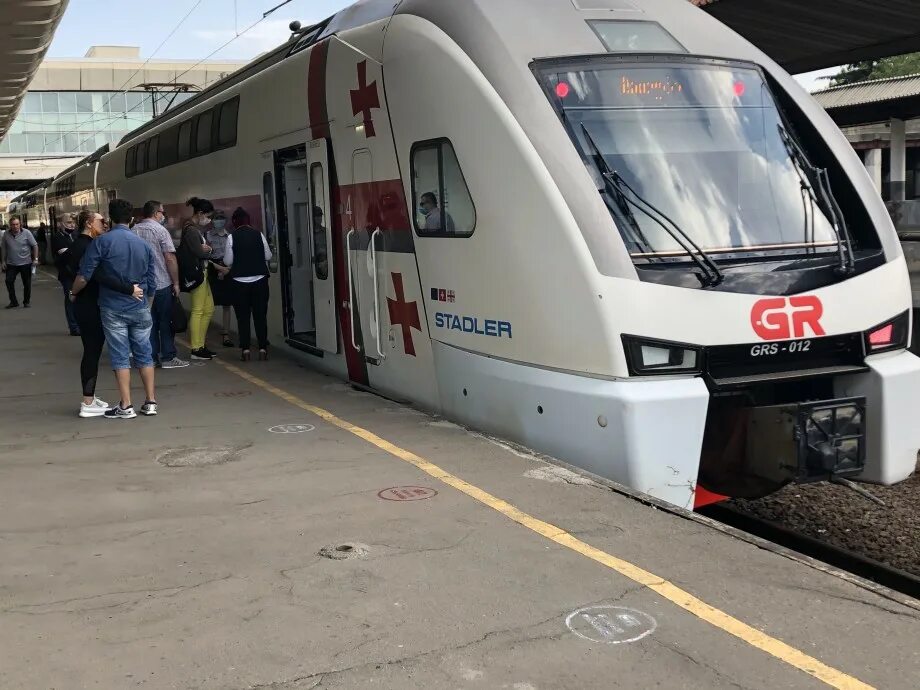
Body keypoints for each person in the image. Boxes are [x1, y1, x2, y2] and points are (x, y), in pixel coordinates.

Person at [72, 198, 158, 420]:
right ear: (131, 219)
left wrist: (73, 292)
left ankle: (126, 405)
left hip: (112, 307)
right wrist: (146, 303)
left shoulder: (101, 243)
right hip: (139, 307)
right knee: (144, 354)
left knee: (120, 356)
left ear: (110, 218)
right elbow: (152, 281)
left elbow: (85, 274)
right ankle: (150, 402)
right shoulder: (143, 245)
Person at [132, 201, 189, 369]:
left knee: (148, 322)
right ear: (156, 213)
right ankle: (168, 357)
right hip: (162, 283)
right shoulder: (160, 231)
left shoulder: (133, 230)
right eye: (162, 212)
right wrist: (176, 283)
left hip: (141, 286)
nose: (164, 215)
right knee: (166, 321)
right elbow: (170, 258)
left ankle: (151, 358)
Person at [224, 207, 272, 361]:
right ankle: (263, 348)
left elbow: (228, 261)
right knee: (260, 316)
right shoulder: (259, 234)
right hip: (260, 281)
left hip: (239, 283)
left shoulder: (232, 237)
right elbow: (268, 255)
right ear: (248, 221)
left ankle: (245, 350)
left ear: (235, 222)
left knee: (243, 317)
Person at [181, 196, 216, 360]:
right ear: (200, 213)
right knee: (198, 310)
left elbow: (203, 250)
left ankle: (201, 345)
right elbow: (200, 252)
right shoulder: (191, 230)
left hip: (203, 273)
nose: (208, 220)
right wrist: (208, 250)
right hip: (197, 274)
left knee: (208, 309)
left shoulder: (193, 229)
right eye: (208, 216)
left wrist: (206, 249)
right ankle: (196, 348)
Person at [206, 210, 234, 348]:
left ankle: (226, 335)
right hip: (213, 269)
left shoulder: (230, 236)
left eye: (222, 218)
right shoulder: (207, 236)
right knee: (209, 304)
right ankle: (204, 335)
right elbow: (205, 257)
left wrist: (227, 269)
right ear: (212, 220)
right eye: (217, 218)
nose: (219, 221)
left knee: (227, 304)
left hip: (228, 269)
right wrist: (218, 268)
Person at [51, 213, 81, 335]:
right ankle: (73, 326)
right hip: (67, 274)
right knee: (70, 299)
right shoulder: (57, 237)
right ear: (61, 223)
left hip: (78, 273)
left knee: (80, 299)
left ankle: (80, 324)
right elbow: (64, 253)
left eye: (73, 222)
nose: (72, 224)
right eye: (69, 222)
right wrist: (75, 251)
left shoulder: (76, 235)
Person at [1, 216, 38, 308]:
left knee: (27, 283)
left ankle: (26, 301)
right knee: (8, 281)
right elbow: (4, 248)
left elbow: (35, 245)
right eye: (13, 225)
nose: (15, 226)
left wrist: (35, 259)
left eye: (17, 224)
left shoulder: (27, 233)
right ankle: (14, 302)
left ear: (20, 224)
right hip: (11, 264)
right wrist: (3, 261)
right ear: (10, 225)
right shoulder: (6, 234)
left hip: (26, 263)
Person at [312, 206, 328, 279]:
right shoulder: (310, 234)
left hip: (327, 261)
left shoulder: (326, 232)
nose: (319, 218)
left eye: (320, 215)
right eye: (317, 215)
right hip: (317, 263)